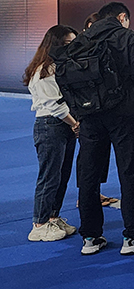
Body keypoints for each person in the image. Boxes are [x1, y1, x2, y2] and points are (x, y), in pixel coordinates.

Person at [73, 2, 134, 256]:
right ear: (122, 17)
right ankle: (133, 235)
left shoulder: (82, 40)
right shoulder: (128, 37)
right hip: (123, 113)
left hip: (89, 114)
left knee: (89, 175)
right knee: (130, 172)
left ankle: (90, 236)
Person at [25, 25, 80, 242]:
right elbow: (55, 105)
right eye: (67, 43)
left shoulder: (61, 67)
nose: (71, 47)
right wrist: (75, 124)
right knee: (49, 176)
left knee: (62, 175)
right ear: (55, 44)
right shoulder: (43, 71)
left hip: (65, 125)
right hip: (50, 125)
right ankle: (39, 224)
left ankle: (52, 217)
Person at [81, 13, 117, 208]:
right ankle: (85, 197)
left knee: (98, 158)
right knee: (88, 160)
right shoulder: (81, 49)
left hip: (98, 110)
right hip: (89, 112)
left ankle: (94, 193)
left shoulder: (103, 47)